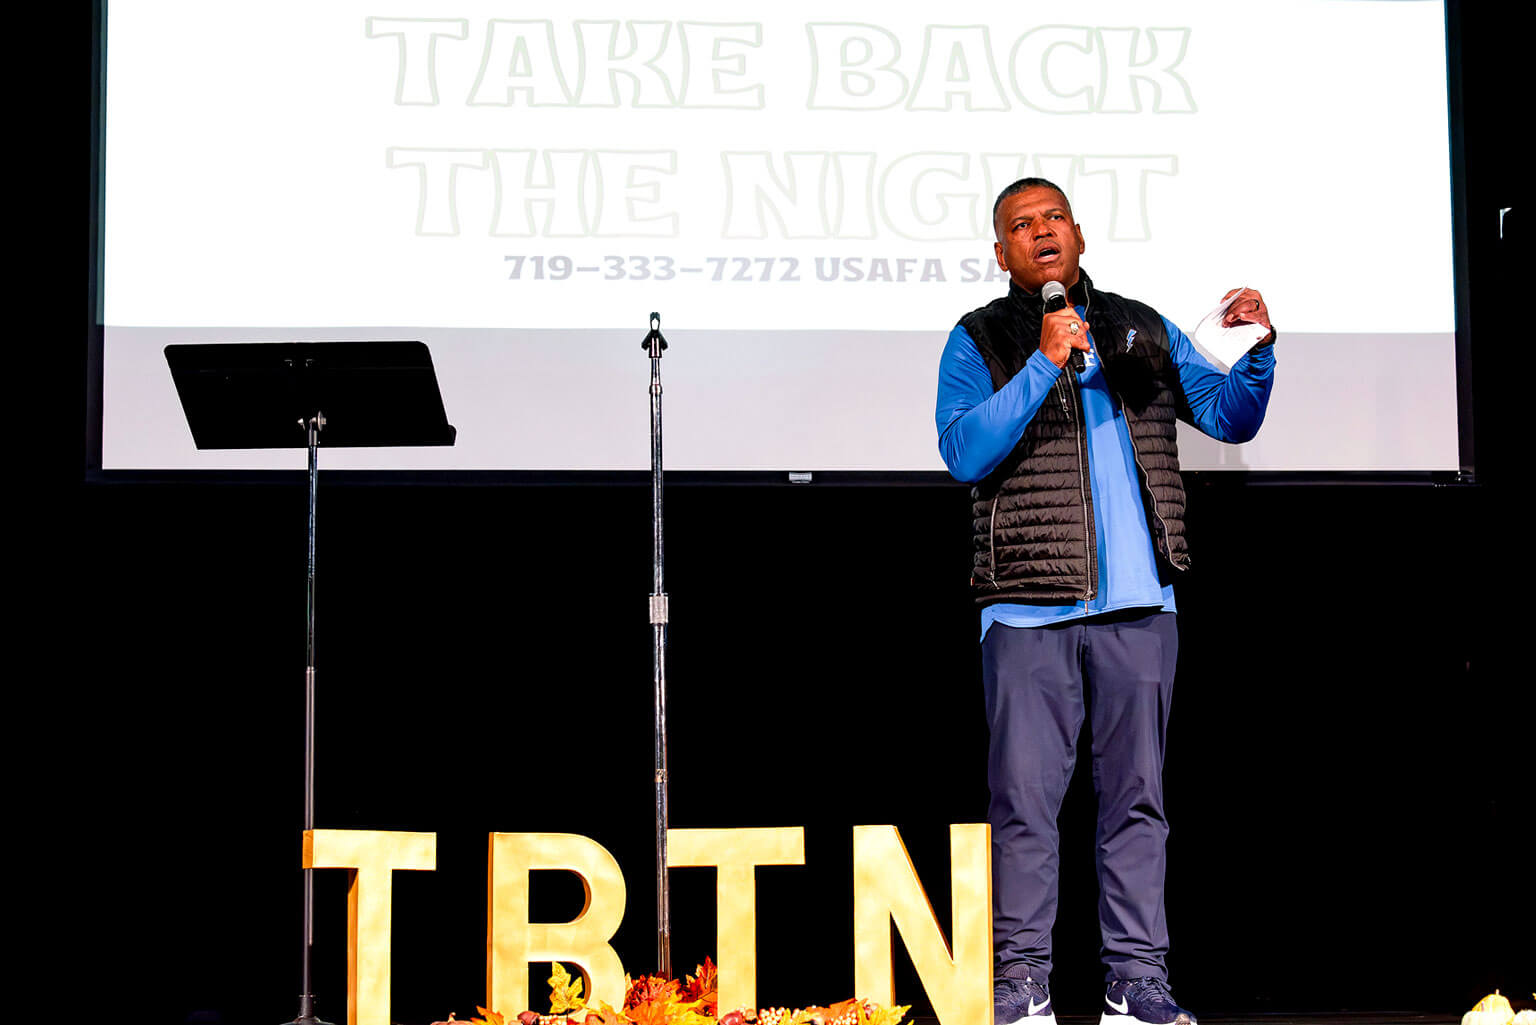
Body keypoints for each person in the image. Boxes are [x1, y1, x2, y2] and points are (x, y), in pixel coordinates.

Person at [935, 178, 1275, 1025]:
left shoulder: (1139, 325)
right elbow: (964, 449)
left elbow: (1230, 419)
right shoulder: (980, 338)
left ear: (1079, 235)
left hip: (1138, 609)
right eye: (1022, 224)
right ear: (1003, 251)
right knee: (1024, 809)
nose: (1041, 232)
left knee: (1139, 804)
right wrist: (1044, 361)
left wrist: (1260, 350)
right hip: (1026, 610)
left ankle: (1136, 981)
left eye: (1053, 218)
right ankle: (1023, 986)